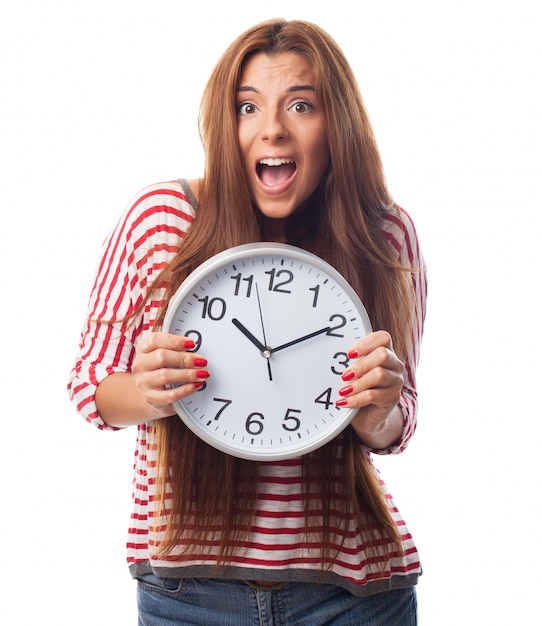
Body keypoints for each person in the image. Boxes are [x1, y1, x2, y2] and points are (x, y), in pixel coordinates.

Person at [68, 18, 427, 625]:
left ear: (335, 125)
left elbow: (398, 419)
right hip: (188, 593)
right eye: (247, 106)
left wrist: (378, 412)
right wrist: (151, 391)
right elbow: (89, 387)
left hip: (354, 594)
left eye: (302, 105)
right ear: (223, 123)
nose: (273, 129)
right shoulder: (161, 220)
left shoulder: (383, 235)